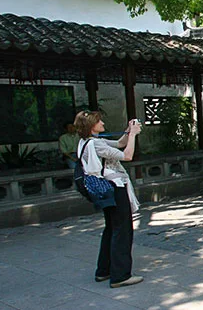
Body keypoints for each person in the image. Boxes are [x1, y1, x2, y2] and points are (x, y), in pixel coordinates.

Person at [74, 111, 143, 288]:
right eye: (99, 121)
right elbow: (127, 155)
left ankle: (103, 270)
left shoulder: (87, 142)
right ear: (91, 126)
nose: (103, 123)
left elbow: (120, 144)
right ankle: (120, 275)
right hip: (115, 188)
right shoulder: (96, 145)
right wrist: (134, 135)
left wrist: (128, 132)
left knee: (111, 229)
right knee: (122, 231)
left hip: (104, 190)